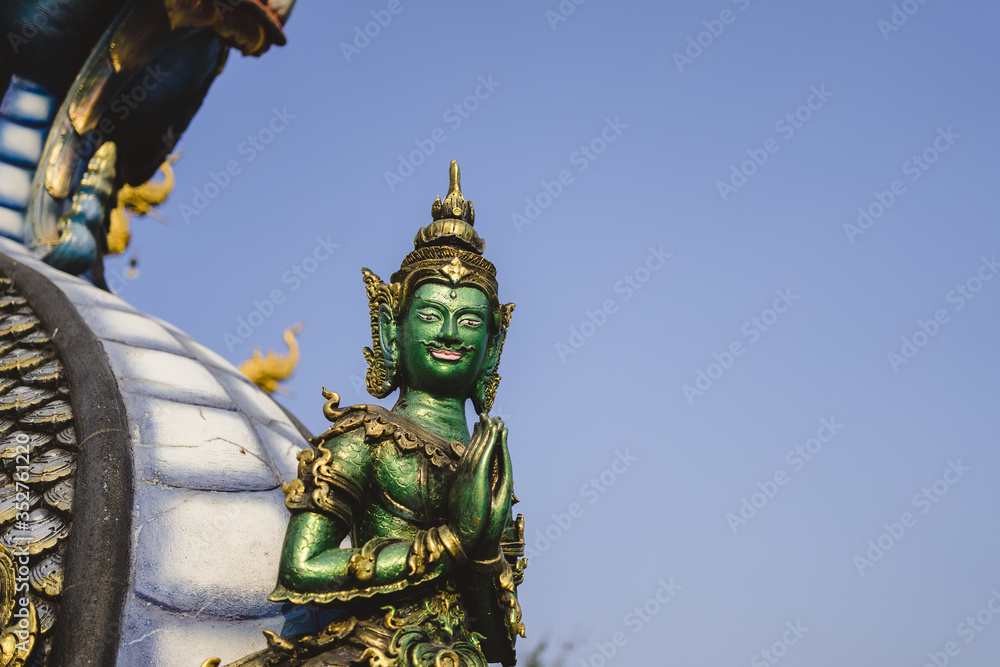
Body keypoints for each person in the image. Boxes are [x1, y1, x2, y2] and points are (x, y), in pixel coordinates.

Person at [206, 161, 525, 667]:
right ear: (391, 329)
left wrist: (484, 552)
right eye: (430, 315)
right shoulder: (365, 438)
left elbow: (501, 643)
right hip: (372, 649)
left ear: (493, 345)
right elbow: (302, 567)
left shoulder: (487, 468)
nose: (449, 334)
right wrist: (450, 541)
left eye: (469, 321)